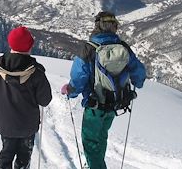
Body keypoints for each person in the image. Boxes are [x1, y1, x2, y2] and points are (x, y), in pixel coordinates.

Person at [61, 11, 146, 169]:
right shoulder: (123, 48)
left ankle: (95, 166)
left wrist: (70, 91)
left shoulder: (89, 49)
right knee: (101, 136)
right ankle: (97, 164)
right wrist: (138, 83)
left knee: (90, 141)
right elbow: (139, 72)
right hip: (115, 104)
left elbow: (79, 78)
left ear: (96, 26)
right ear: (114, 27)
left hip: (94, 105)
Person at [0, 26, 52, 169]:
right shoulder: (36, 71)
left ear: (10, 44)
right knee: (24, 158)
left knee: (6, 154)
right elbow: (45, 100)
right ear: (29, 47)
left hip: (5, 123)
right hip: (27, 126)